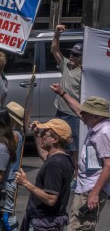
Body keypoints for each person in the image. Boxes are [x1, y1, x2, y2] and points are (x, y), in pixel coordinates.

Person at [48, 94, 110, 231]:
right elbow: (76, 110)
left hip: (91, 187)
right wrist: (63, 94)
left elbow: (108, 164)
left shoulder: (102, 133)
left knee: (80, 230)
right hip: (89, 184)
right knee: (87, 229)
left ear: (97, 116)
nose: (81, 115)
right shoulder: (98, 127)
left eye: (86, 113)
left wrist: (94, 193)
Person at [50, 25, 82, 169]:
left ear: (81, 58)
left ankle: (76, 177)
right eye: (71, 53)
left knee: (73, 149)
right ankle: (63, 171)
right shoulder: (66, 65)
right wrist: (57, 33)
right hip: (60, 113)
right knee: (57, 143)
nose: (71, 56)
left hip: (73, 115)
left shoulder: (83, 73)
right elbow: (54, 49)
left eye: (75, 55)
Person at [0, 102, 26, 231]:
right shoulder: (12, 133)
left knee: (8, 212)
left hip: (10, 177)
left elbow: (6, 150)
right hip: (6, 177)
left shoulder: (15, 134)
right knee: (3, 210)